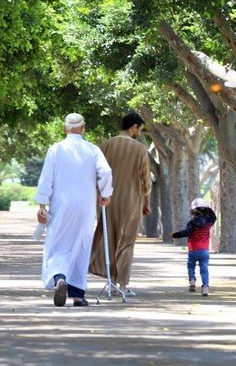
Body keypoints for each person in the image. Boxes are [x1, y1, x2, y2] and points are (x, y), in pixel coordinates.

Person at [35, 113, 113, 307]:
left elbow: (46, 178)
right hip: (86, 205)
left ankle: (59, 277)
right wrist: (105, 193)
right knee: (81, 245)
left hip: (61, 205)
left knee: (57, 244)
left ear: (64, 128)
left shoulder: (56, 149)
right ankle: (78, 295)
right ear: (83, 128)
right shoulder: (93, 149)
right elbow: (106, 171)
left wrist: (42, 205)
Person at [88, 111, 152, 297]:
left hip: (106, 200)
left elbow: (95, 174)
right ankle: (122, 285)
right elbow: (145, 179)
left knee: (108, 238)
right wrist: (147, 201)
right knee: (126, 242)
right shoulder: (140, 149)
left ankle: (111, 282)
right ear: (134, 127)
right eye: (139, 129)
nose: (139, 132)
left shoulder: (105, 145)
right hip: (131, 201)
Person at [172, 198, 217, 297]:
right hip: (204, 250)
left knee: (191, 265)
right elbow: (214, 217)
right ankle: (205, 287)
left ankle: (192, 280)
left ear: (193, 211)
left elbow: (186, 233)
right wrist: (207, 208)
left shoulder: (192, 223)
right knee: (204, 269)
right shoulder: (209, 222)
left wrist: (174, 235)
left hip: (193, 249)